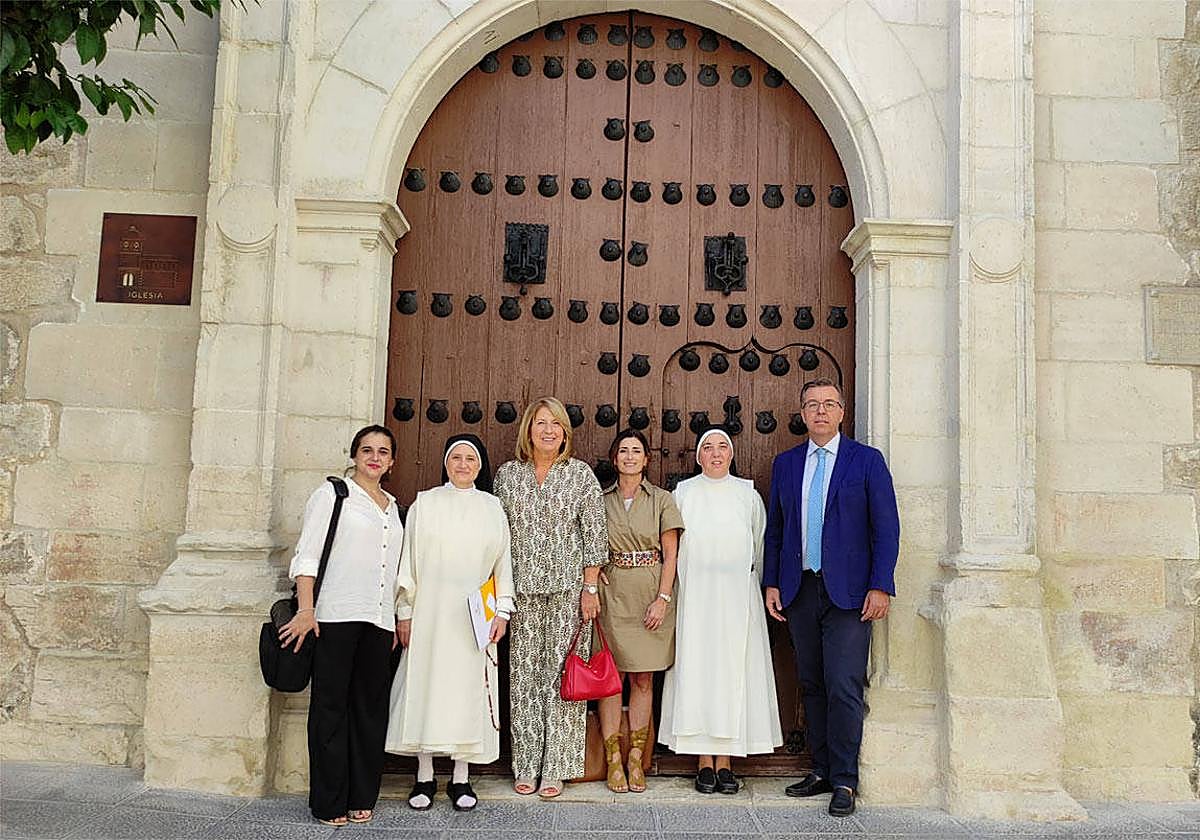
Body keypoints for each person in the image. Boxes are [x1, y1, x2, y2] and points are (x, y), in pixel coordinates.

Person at [763, 378, 900, 817]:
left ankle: (845, 779)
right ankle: (820, 769)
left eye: (829, 404)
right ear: (802, 414)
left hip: (851, 594)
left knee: (844, 685)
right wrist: (772, 582)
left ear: (842, 412)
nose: (820, 411)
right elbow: (776, 531)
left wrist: (880, 584)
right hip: (800, 588)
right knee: (812, 682)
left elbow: (887, 528)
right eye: (812, 405)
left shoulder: (867, 461)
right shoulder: (786, 464)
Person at [279, 424, 404, 827]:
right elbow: (307, 555)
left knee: (369, 710)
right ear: (354, 455)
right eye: (367, 449)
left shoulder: (392, 505)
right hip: (334, 615)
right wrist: (305, 609)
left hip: (378, 619)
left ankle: (361, 795)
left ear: (391, 461)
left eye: (383, 452)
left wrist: (395, 617)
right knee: (330, 710)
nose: (374, 457)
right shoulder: (333, 495)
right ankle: (329, 801)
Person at [385, 434, 514, 812]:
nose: (462, 465)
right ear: (445, 462)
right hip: (429, 613)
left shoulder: (492, 507)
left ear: (479, 466)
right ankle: (423, 774)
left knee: (467, 692)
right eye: (455, 458)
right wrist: (404, 612)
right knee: (427, 688)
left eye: (469, 459)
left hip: (476, 617)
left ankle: (461, 777)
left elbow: (503, 562)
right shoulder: (426, 503)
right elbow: (408, 561)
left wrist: (502, 611)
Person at [493, 397, 608, 799]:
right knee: (524, 678)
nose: (547, 430)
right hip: (520, 591)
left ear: (565, 432)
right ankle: (525, 763)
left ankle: (556, 767)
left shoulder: (580, 476)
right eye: (540, 423)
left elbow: (594, 534)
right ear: (528, 429)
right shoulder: (508, 476)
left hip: (568, 592)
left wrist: (590, 587)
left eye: (555, 424)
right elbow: (497, 535)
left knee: (563, 679)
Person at [660, 426, 782, 795]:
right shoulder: (683, 493)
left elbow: (759, 545)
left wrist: (757, 587)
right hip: (696, 598)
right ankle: (702, 762)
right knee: (699, 671)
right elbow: (673, 546)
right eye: (708, 447)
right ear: (698, 456)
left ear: (731, 454)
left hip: (736, 599)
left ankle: (726, 762)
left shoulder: (747, 494)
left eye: (722, 447)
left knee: (734, 673)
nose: (716, 453)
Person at [596, 428, 684, 794]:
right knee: (610, 678)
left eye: (636, 451)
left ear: (647, 459)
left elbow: (671, 554)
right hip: (612, 593)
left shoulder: (662, 499)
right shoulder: (600, 499)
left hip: (650, 592)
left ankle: (637, 759)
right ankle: (613, 758)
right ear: (615, 459)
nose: (630, 457)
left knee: (643, 679)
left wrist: (662, 599)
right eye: (623, 451)